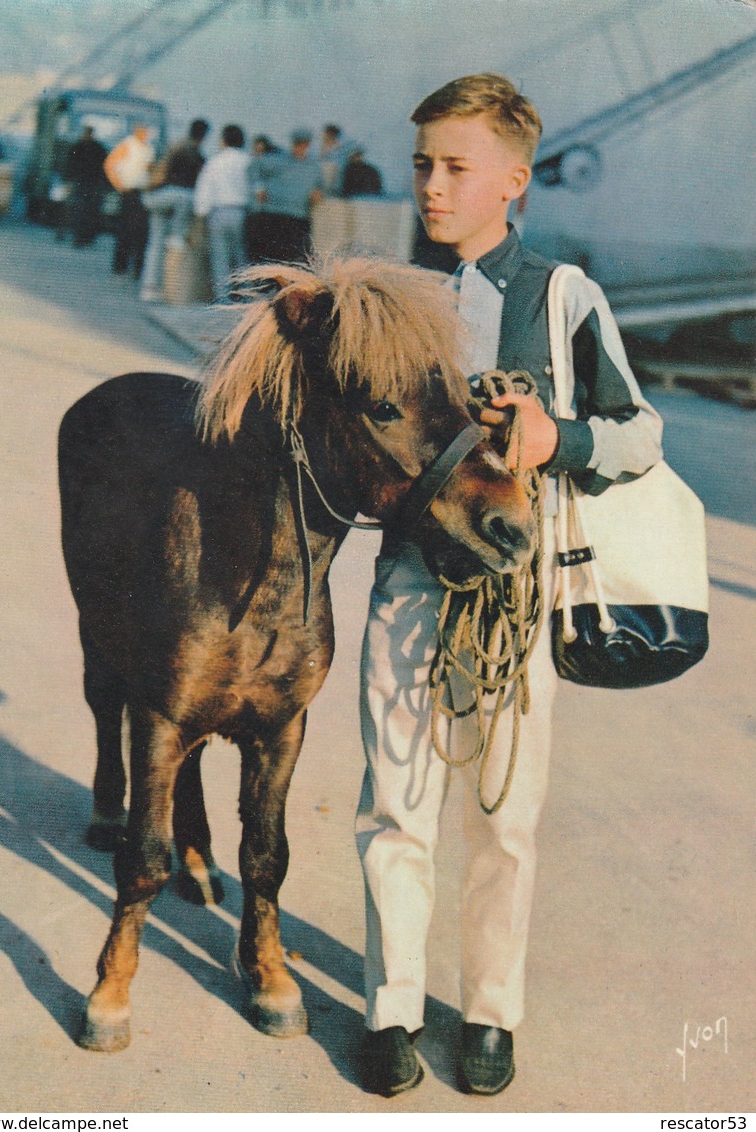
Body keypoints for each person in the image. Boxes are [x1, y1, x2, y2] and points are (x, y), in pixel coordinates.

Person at [355, 72, 664, 1098]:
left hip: (514, 602)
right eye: (421, 166)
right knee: (394, 803)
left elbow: (640, 434)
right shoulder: (393, 295)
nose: (431, 187)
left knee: (502, 821)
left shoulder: (562, 294)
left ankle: (488, 1014)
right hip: (406, 579)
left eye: (454, 167)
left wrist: (554, 436)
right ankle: (391, 1007)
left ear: (513, 181)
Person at [139, 118, 209, 301]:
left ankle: (149, 287)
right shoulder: (197, 155)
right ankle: (171, 287)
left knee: (155, 242)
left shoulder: (175, 147)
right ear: (204, 136)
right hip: (179, 198)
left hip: (158, 197)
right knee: (176, 243)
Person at [193, 123, 251, 302]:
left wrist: (201, 214)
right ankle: (247, 297)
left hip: (218, 213)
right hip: (241, 212)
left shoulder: (215, 161)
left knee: (220, 259)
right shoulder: (248, 161)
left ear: (224, 141)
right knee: (241, 259)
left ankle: (223, 299)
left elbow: (204, 190)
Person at [248, 128, 323, 262]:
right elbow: (254, 167)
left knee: (294, 260)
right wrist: (258, 188)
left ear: (308, 145)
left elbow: (321, 188)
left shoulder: (314, 167)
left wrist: (318, 194)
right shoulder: (278, 159)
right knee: (269, 259)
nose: (300, 147)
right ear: (293, 144)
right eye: (297, 144)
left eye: (304, 144)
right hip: (273, 215)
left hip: (298, 219)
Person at [103, 123, 154, 278]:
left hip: (143, 192)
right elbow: (109, 164)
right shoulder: (127, 145)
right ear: (137, 130)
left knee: (141, 232)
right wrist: (118, 184)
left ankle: (137, 267)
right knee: (125, 230)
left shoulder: (148, 148)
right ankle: (120, 266)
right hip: (129, 192)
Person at [63, 126, 108, 247]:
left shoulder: (78, 147)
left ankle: (81, 238)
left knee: (82, 211)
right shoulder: (98, 148)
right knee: (88, 212)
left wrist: (67, 180)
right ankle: (84, 238)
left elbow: (69, 165)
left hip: (85, 183)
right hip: (89, 184)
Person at [319, 123, 355, 196]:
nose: (325, 136)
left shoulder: (340, 148)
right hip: (320, 176)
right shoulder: (318, 147)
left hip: (333, 175)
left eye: (327, 134)